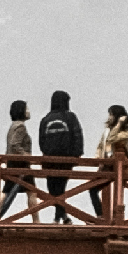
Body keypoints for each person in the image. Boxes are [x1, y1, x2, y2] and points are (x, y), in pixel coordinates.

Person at [38, 90, 85, 221]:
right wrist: (77, 154)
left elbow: (41, 140)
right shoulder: (70, 117)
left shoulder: (45, 119)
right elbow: (77, 135)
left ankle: (59, 217)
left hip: (49, 161)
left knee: (54, 190)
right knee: (60, 188)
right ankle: (62, 216)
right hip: (66, 160)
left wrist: (46, 152)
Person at [4, 97, 38, 212]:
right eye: (26, 109)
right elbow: (15, 144)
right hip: (20, 164)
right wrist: (27, 155)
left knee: (8, 191)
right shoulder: (21, 127)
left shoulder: (13, 125)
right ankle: (36, 220)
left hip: (12, 162)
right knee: (32, 191)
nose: (28, 111)